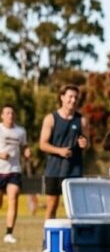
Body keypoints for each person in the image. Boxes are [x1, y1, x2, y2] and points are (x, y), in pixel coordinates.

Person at [38, 85, 90, 219]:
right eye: (70, 97)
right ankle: (48, 238)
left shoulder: (82, 120)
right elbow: (42, 144)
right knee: (52, 205)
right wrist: (59, 151)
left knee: (75, 208)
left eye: (76, 98)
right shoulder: (50, 118)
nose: (73, 100)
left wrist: (85, 144)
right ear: (62, 97)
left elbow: (88, 144)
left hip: (74, 171)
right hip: (54, 170)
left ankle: (75, 239)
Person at [0, 105, 30, 243]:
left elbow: (24, 146)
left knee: (13, 197)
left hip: (14, 170)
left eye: (12, 113)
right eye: (7, 113)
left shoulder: (20, 131)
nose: (10, 115)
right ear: (2, 115)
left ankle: (9, 234)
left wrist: (26, 152)